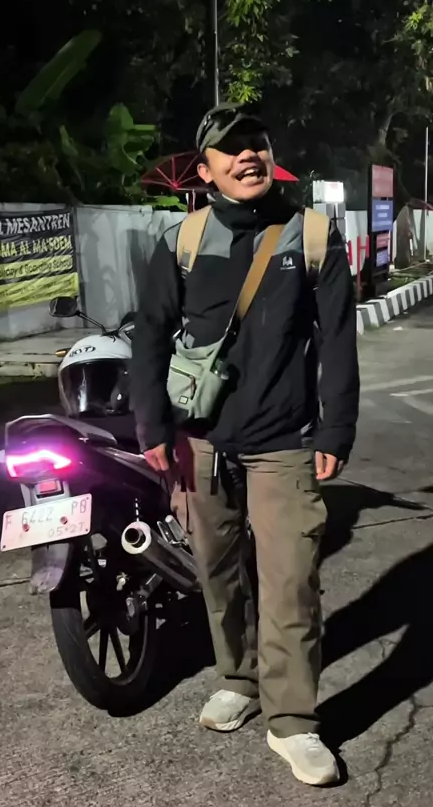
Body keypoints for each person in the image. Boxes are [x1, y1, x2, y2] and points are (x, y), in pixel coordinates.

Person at [130, 103, 359, 786]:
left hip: (285, 442)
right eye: (230, 149)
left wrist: (336, 426)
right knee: (218, 573)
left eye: (256, 142)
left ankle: (292, 722)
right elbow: (150, 335)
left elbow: (338, 338)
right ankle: (238, 677)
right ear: (206, 171)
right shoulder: (182, 241)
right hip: (201, 443)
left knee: (291, 582)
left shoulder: (310, 234)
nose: (247, 155)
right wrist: (152, 428)